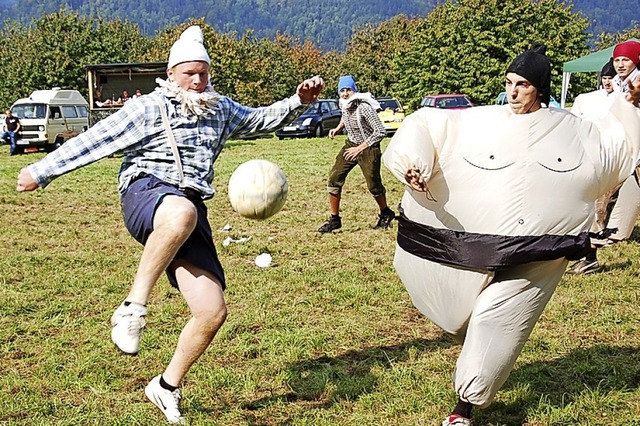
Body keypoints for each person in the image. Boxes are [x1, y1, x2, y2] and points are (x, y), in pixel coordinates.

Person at [16, 25, 323, 424]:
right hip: (145, 192)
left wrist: (298, 101)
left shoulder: (220, 108)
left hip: (189, 207)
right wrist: (42, 170)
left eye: (203, 73)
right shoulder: (148, 107)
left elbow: (261, 119)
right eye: (189, 73)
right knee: (180, 212)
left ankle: (165, 386)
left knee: (212, 311)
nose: (197, 81)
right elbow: (96, 139)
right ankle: (132, 308)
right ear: (171, 73)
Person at [382, 44, 640, 425]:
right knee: (458, 318)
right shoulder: (479, 122)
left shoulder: (572, 131)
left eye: (523, 84)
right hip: (470, 247)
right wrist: (412, 165)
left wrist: (632, 105)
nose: (514, 91)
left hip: (541, 250)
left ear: (540, 88)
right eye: (509, 83)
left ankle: (463, 408)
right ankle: (469, 366)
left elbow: (621, 149)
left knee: (497, 318)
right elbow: (425, 124)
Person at [566, 57, 638, 274]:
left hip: (627, 156)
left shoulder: (626, 94)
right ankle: (589, 257)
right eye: (618, 61)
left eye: (625, 60)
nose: (620, 67)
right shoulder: (599, 98)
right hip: (613, 157)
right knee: (598, 204)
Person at [318, 75, 395, 233]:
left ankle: (386, 213)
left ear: (355, 91)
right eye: (342, 90)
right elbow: (345, 116)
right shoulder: (344, 104)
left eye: (348, 90)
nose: (345, 94)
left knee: (373, 184)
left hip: (369, 147)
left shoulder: (364, 107)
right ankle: (334, 219)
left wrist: (360, 148)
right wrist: (338, 128)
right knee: (334, 178)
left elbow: (381, 132)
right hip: (351, 144)